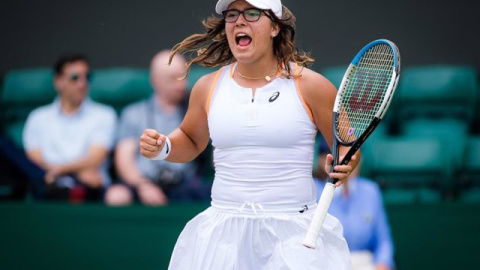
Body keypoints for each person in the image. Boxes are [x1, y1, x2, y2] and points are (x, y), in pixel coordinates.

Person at [140, 0, 359, 269]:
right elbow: (191, 139)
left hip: (294, 234)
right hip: (223, 236)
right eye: (232, 14)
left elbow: (348, 146)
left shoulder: (312, 86)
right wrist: (164, 146)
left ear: (275, 28)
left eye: (252, 13)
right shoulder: (207, 87)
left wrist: (345, 162)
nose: (239, 21)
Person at [105, 50, 210, 206]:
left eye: (184, 77)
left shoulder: (195, 111)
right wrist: (144, 186)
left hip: (184, 185)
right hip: (142, 183)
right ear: (156, 81)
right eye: (173, 79)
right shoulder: (134, 113)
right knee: (116, 196)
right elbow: (124, 159)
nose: (181, 85)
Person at [22, 53, 117, 201]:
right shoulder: (38, 117)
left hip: (89, 189)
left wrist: (57, 171)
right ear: (58, 81)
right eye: (75, 77)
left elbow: (96, 157)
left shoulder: (104, 114)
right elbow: (34, 157)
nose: (82, 83)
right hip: (49, 185)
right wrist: (72, 171)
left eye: (87, 77)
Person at [315, 139, 395, 270]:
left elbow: (383, 241)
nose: (352, 159)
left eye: (355, 154)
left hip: (366, 264)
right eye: (345, 154)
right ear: (325, 159)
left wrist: (382, 264)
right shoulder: (313, 191)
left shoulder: (371, 191)